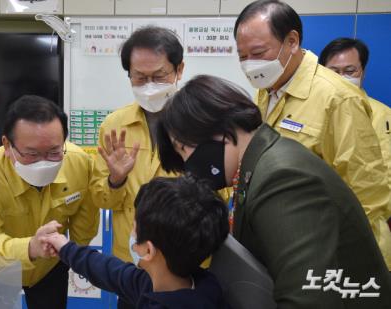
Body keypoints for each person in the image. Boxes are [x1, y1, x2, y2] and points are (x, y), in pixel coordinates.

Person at [156, 74, 391, 308]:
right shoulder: (257, 166)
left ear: (222, 130)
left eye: (184, 148)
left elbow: (309, 299)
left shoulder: (281, 178)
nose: (187, 164)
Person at [233, 0, 391, 269]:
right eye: (242, 56)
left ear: (292, 41)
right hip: (283, 246)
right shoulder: (267, 90)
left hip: (328, 256)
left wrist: (332, 261)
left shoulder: (338, 99)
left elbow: (369, 195)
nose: (250, 65)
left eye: (258, 52)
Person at [0, 95, 100, 309]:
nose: (44, 162)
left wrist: (74, 254)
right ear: (7, 145)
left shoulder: (79, 163)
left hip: (50, 264)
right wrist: (30, 248)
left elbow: (86, 219)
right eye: (32, 154)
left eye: (54, 152)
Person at [43, 175, 231, 308]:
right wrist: (65, 247)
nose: (131, 233)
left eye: (134, 225)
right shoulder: (189, 283)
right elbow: (108, 270)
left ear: (148, 251)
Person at [91, 27, 184, 262]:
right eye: (140, 77)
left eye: (159, 76)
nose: (149, 85)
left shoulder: (203, 123)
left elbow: (220, 196)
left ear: (179, 69)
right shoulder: (115, 125)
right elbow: (102, 200)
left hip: (185, 256)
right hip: (131, 259)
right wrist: (116, 181)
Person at [319, 38, 391, 219]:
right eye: (334, 72)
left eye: (349, 71)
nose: (341, 78)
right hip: (320, 215)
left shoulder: (384, 115)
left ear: (363, 72)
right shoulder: (313, 113)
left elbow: (385, 175)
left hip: (368, 217)